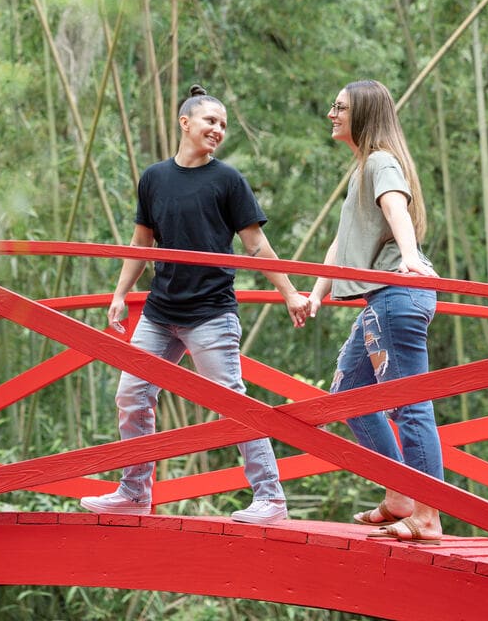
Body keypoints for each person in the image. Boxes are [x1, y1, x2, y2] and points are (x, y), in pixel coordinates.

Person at [80, 84, 310, 524]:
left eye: (223, 124)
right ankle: (134, 493)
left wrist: (289, 292)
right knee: (131, 394)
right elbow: (141, 242)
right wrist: (119, 293)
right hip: (160, 310)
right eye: (210, 121)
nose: (218, 129)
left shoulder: (227, 180)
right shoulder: (154, 178)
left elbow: (257, 244)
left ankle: (271, 498)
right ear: (185, 123)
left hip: (210, 311)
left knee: (231, 402)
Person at [305, 79, 444, 543]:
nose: (332, 113)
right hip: (382, 298)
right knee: (349, 393)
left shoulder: (381, 161)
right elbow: (341, 243)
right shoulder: (363, 167)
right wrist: (316, 293)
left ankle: (427, 514)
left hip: (397, 293)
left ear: (364, 114)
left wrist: (408, 257)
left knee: (409, 403)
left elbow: (396, 207)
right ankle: (401, 496)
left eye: (341, 107)